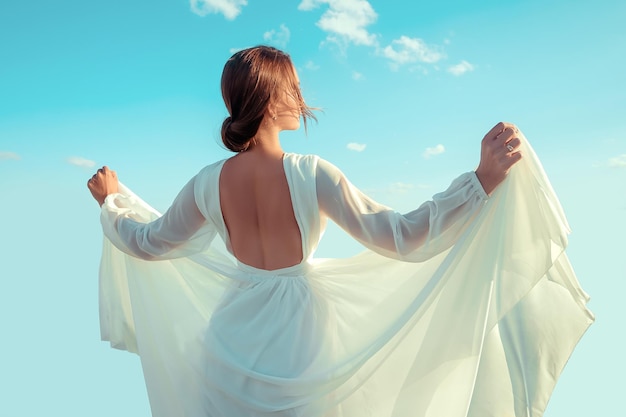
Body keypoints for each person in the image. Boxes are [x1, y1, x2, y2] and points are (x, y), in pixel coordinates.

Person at [89, 46, 593, 417]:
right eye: (292, 87)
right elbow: (400, 235)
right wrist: (478, 184)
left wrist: (112, 202)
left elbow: (147, 243)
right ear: (268, 98)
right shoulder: (310, 173)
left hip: (228, 346)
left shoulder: (206, 184)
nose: (300, 98)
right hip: (301, 343)